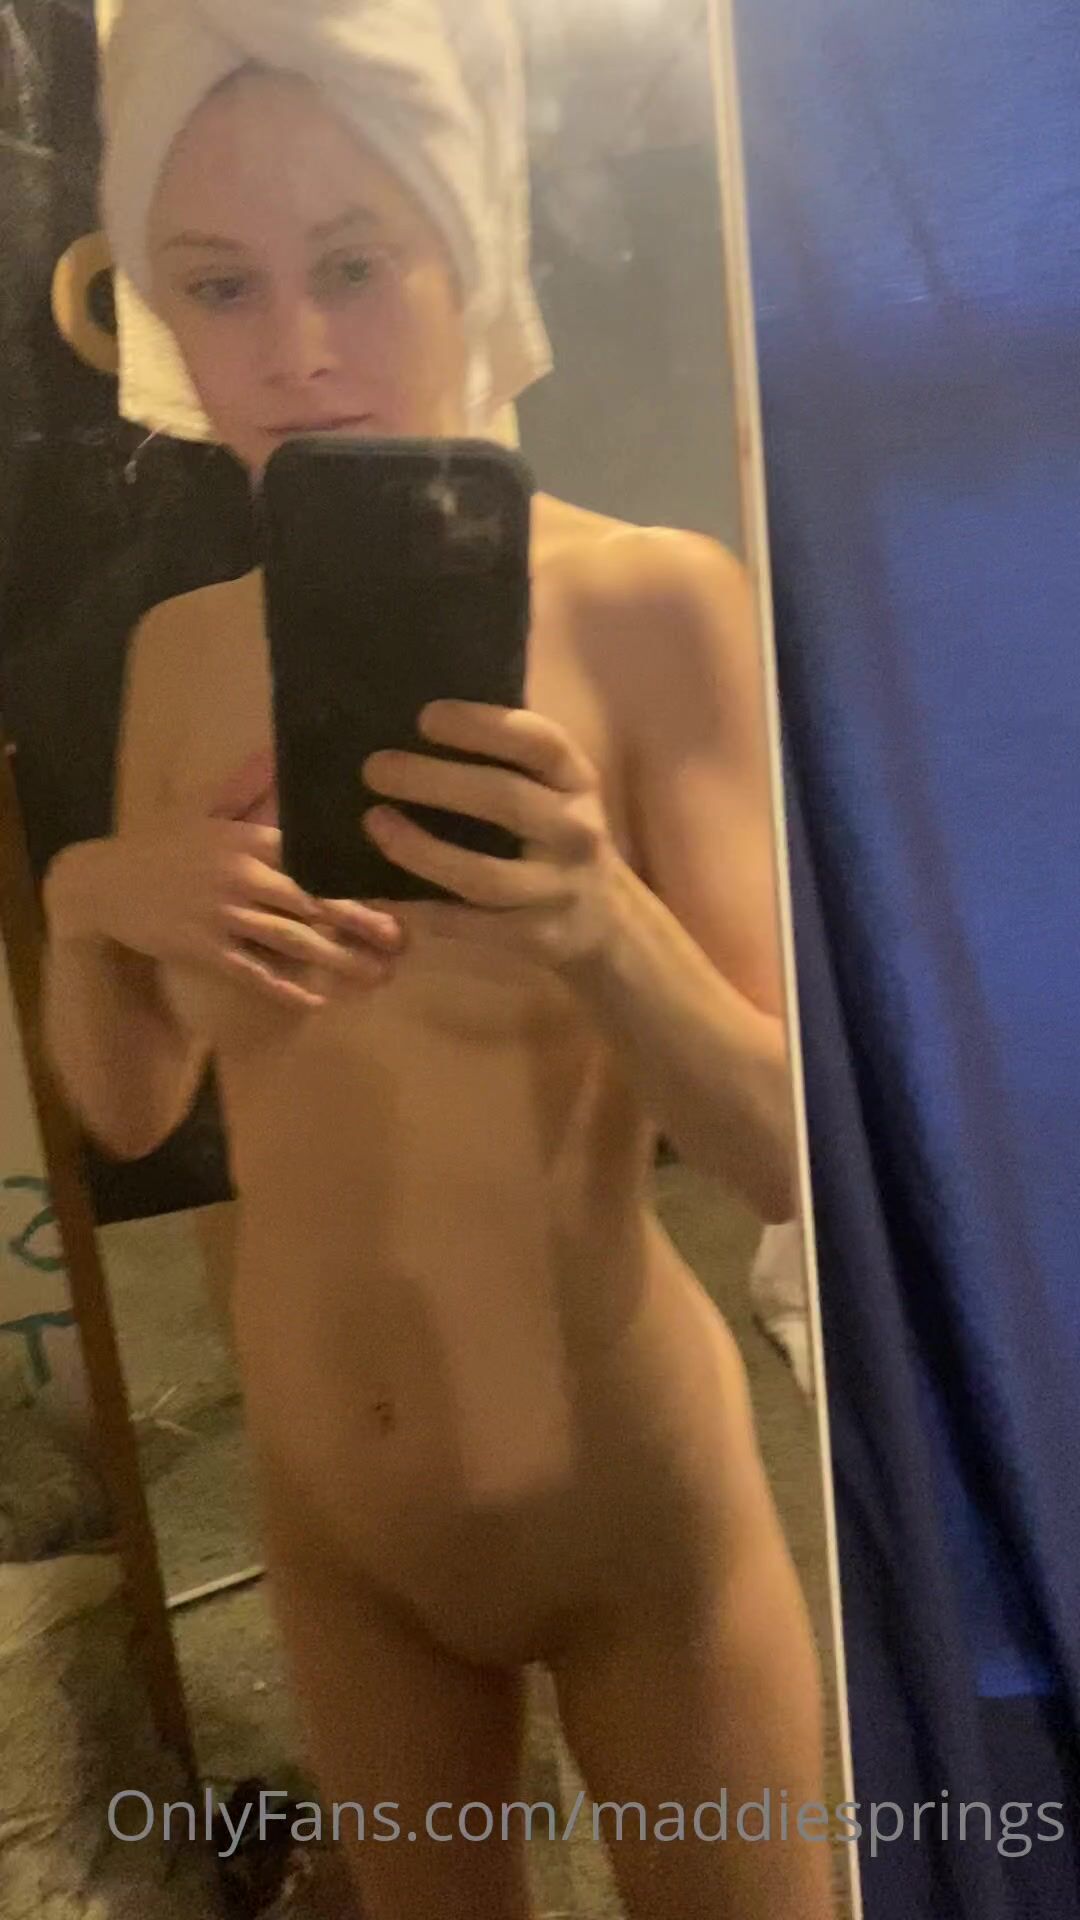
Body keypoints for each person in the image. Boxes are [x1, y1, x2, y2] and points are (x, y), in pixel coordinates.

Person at [42, 8, 831, 1917]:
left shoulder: (652, 605)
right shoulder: (177, 657)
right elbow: (131, 1107)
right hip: (338, 1534)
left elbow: (794, 1160)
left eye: (353, 263)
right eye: (219, 285)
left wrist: (595, 910)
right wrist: (89, 897)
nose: (294, 348)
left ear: (466, 254)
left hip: (634, 1512)